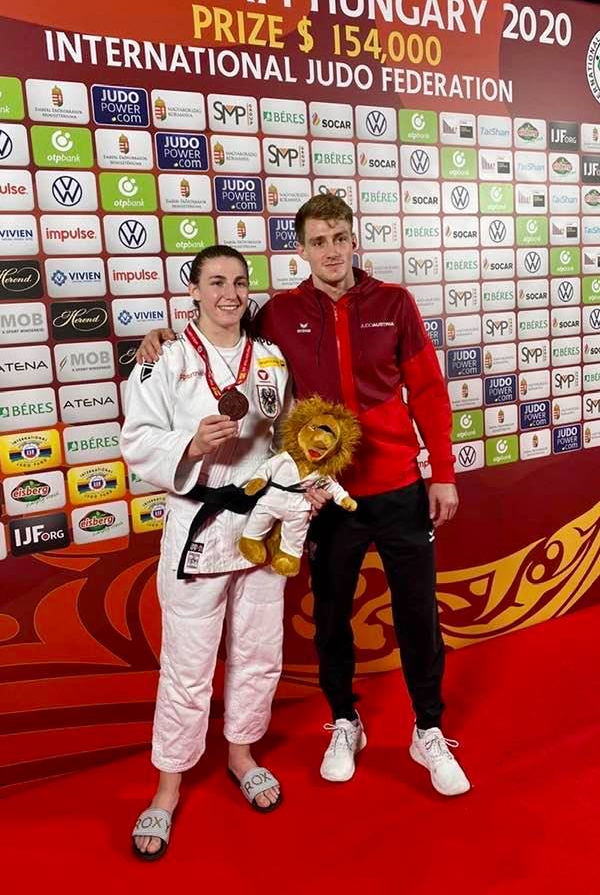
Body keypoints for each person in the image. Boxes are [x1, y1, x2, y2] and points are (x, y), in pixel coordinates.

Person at [136, 195, 470, 797]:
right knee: (332, 617)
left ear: (353, 240)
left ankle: (428, 729)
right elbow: (219, 339)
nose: (332, 250)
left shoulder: (395, 302)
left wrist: (441, 470)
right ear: (302, 249)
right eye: (319, 241)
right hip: (325, 497)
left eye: (340, 238)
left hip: (397, 486)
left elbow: (427, 390)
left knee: (418, 613)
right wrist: (161, 337)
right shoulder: (280, 315)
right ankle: (344, 720)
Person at [121, 245, 291, 861]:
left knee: (258, 652)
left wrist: (301, 483)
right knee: (187, 666)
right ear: (192, 290)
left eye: (240, 282)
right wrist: (190, 446)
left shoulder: (270, 358)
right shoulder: (163, 359)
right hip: (198, 524)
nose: (230, 293)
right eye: (216, 281)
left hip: (260, 523)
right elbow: (137, 440)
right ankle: (167, 786)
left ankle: (241, 754)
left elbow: (285, 436)